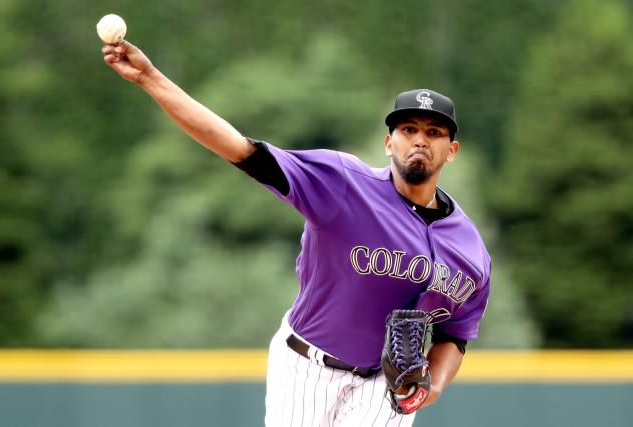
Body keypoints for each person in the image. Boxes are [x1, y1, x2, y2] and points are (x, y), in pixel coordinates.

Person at [102, 41, 491, 426]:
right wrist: (151, 79)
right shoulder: (342, 184)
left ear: (451, 149)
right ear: (389, 142)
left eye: (434, 132)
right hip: (305, 366)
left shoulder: (469, 249)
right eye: (409, 129)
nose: (420, 139)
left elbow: (454, 336)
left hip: (382, 385)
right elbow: (239, 149)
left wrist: (431, 388)